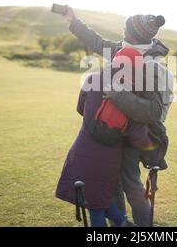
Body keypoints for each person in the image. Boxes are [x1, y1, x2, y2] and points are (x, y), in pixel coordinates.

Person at [59, 6, 173, 226]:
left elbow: (154, 112)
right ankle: (120, 225)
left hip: (135, 133)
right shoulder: (124, 48)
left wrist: (118, 95)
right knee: (111, 184)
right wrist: (73, 21)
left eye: (125, 28)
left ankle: (143, 227)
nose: (122, 31)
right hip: (113, 131)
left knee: (131, 183)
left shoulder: (153, 67)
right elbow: (96, 42)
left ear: (133, 33)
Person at [55, 47, 157, 227]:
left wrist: (92, 122)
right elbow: (138, 136)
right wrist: (151, 151)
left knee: (94, 199)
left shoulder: (93, 79)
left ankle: (121, 223)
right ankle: (123, 223)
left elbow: (80, 107)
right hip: (110, 157)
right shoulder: (133, 95)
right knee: (98, 199)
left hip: (83, 148)